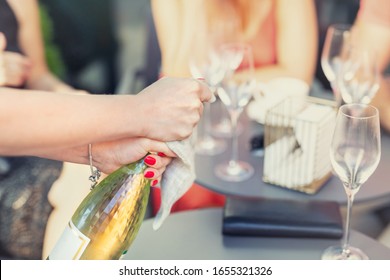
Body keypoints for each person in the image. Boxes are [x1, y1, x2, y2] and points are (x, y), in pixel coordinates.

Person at [150, 0, 318, 214]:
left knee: (269, 210)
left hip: (261, 138)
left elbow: (298, 73)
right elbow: (178, 76)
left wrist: (217, 80)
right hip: (196, 135)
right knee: (193, 204)